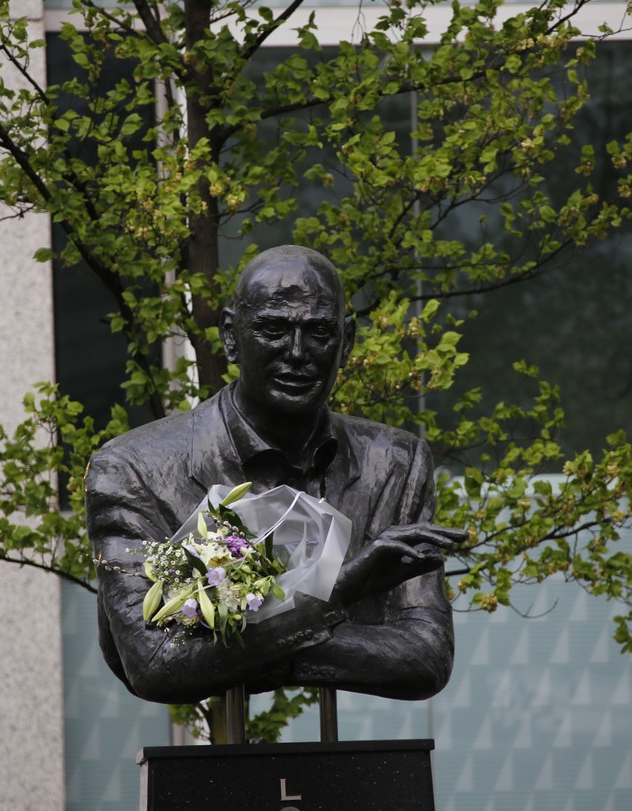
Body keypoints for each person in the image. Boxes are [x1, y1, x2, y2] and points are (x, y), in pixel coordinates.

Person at [85, 245, 465, 704]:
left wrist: (235, 652)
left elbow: (426, 657)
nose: (297, 353)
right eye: (273, 329)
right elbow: (154, 664)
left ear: (346, 341)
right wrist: (339, 592)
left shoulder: (397, 462)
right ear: (230, 336)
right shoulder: (132, 468)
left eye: (319, 332)